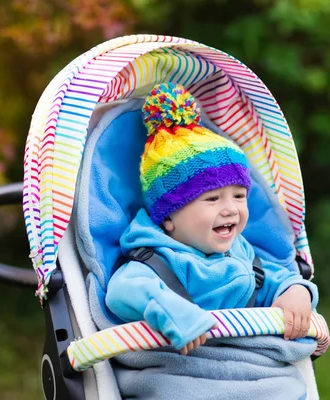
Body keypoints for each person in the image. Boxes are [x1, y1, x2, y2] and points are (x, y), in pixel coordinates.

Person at [105, 82, 318, 356]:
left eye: (239, 196)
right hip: (185, 369)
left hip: (249, 365)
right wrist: (172, 312)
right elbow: (123, 290)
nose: (230, 209)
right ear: (168, 217)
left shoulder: (241, 253)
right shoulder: (158, 260)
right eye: (212, 199)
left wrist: (295, 290)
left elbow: (272, 279)